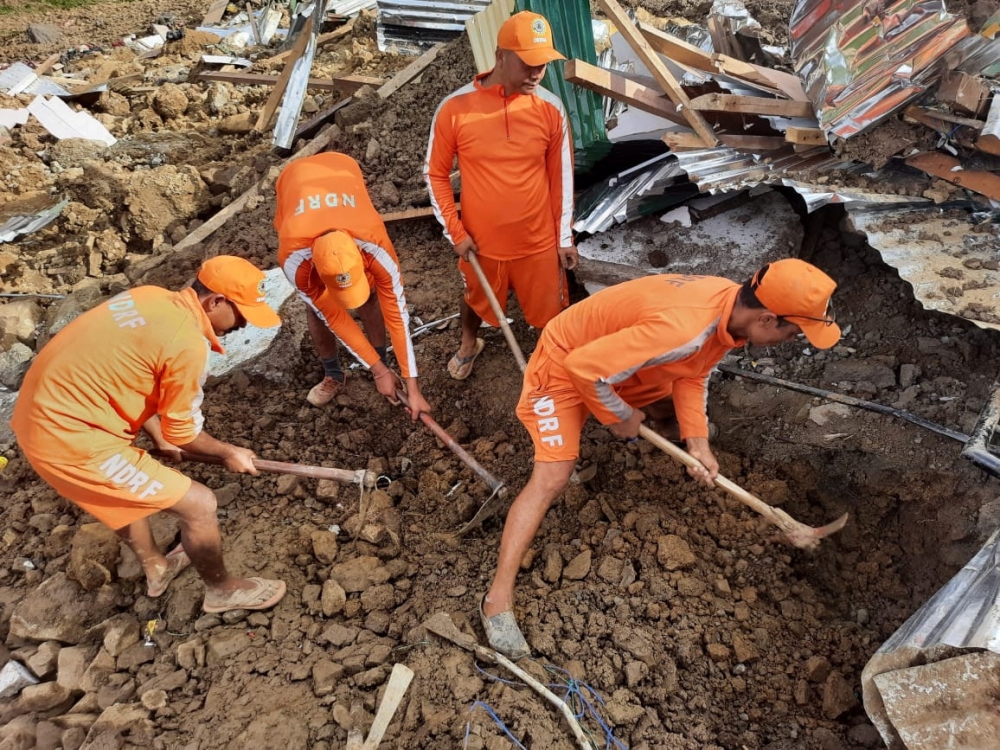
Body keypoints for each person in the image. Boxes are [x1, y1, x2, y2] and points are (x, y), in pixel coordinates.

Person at [479, 259, 842, 658]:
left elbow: (692, 372)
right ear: (767, 319)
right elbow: (581, 368)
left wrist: (697, 441)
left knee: (669, 408)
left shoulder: (728, 307)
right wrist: (619, 415)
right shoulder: (683, 330)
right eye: (793, 332)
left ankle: (653, 425)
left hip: (613, 362)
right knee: (554, 476)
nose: (793, 339)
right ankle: (497, 601)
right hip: (567, 366)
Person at [12, 256, 287, 614]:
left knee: (124, 490)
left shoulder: (149, 297)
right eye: (242, 314)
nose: (244, 324)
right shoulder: (186, 344)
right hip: (69, 439)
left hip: (41, 413)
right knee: (200, 505)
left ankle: (157, 567)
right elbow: (186, 432)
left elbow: (126, 368)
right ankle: (222, 591)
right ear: (215, 301)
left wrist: (157, 435)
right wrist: (228, 451)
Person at [424, 10, 578, 381]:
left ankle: (551, 367)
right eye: (528, 63)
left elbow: (563, 177)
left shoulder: (550, 109)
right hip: (482, 243)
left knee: (551, 313)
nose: (537, 73)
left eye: (543, 63)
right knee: (475, 299)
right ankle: (468, 344)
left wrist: (564, 237)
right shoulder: (455, 109)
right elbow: (435, 174)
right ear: (500, 56)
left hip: (537, 241)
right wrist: (456, 233)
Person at [275, 152, 431, 419]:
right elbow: (335, 316)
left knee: (369, 295)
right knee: (317, 310)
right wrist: (379, 372)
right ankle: (334, 373)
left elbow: (397, 315)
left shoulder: (375, 246)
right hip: (294, 181)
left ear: (362, 258)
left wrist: (412, 386)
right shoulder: (293, 259)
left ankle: (382, 359)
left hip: (341, 171)